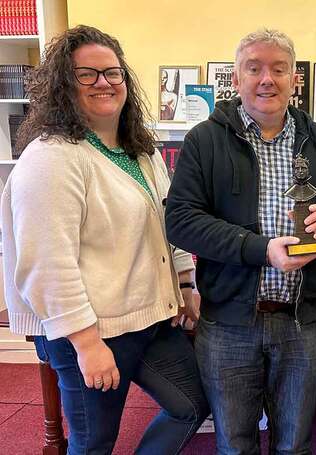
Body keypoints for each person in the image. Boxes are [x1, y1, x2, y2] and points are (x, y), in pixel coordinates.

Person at [1, 25, 209, 454]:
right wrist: (87, 344)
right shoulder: (51, 158)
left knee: (191, 405)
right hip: (90, 330)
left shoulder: (141, 151)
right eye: (87, 74)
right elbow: (46, 264)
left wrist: (185, 282)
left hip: (150, 317)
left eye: (113, 73)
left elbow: (167, 222)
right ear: (63, 86)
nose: (104, 83)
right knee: (94, 443)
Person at [165, 28, 316, 454]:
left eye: (278, 68)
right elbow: (180, 221)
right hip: (229, 324)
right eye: (254, 69)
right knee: (235, 443)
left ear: (295, 79)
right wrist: (261, 249)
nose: (266, 79)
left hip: (303, 322)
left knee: (294, 444)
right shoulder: (204, 141)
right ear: (236, 80)